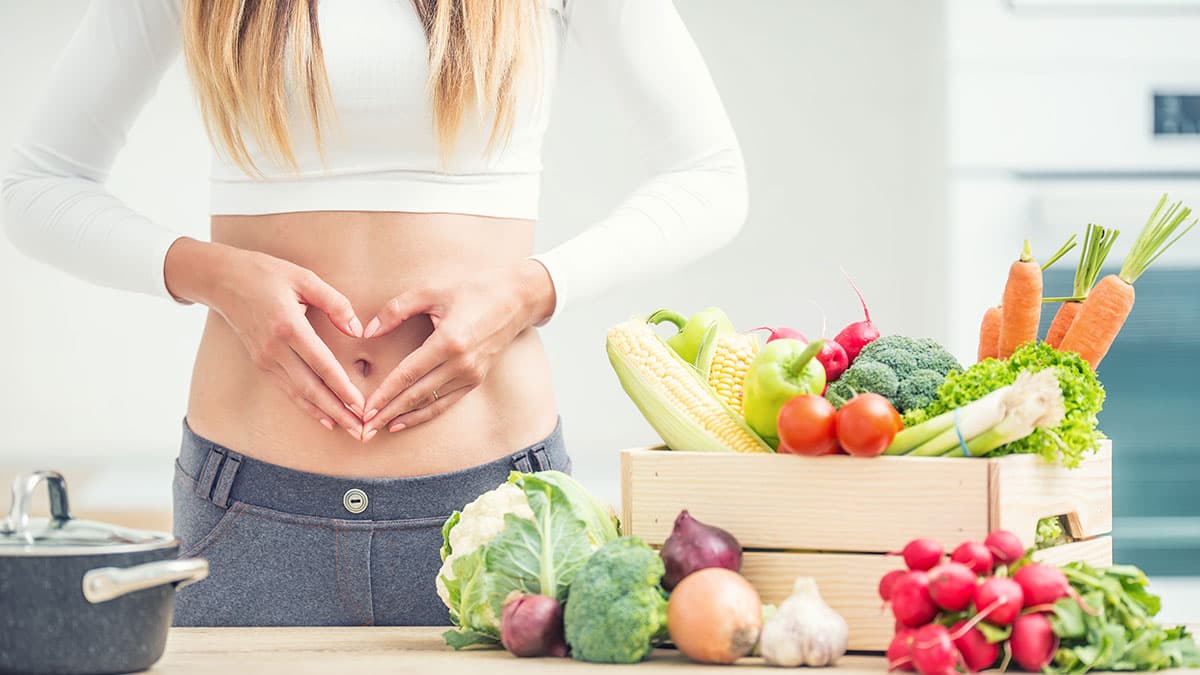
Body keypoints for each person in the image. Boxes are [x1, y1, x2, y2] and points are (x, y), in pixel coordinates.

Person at [2, 0, 746, 626]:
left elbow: (709, 178)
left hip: (501, 511)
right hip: (248, 512)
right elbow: (34, 185)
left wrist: (529, 290)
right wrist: (215, 274)